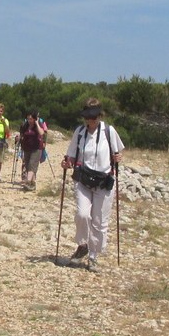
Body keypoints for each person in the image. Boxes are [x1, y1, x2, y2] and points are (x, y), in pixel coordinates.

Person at [61, 98, 124, 273]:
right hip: (83, 180)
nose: (92, 120)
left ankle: (93, 256)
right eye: (89, 116)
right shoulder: (80, 133)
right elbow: (71, 156)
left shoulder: (109, 132)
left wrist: (118, 158)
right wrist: (67, 163)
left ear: (100, 115)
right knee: (82, 214)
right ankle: (83, 245)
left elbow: (117, 154)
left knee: (99, 222)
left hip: (104, 181)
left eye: (95, 116)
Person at [17, 110, 48, 190]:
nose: (29, 120)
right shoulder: (25, 125)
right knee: (27, 166)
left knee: (32, 164)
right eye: (28, 119)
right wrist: (19, 138)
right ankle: (32, 184)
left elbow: (42, 133)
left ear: (34, 119)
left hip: (37, 148)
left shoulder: (38, 125)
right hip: (26, 148)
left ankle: (27, 182)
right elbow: (22, 134)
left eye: (31, 119)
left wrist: (37, 123)